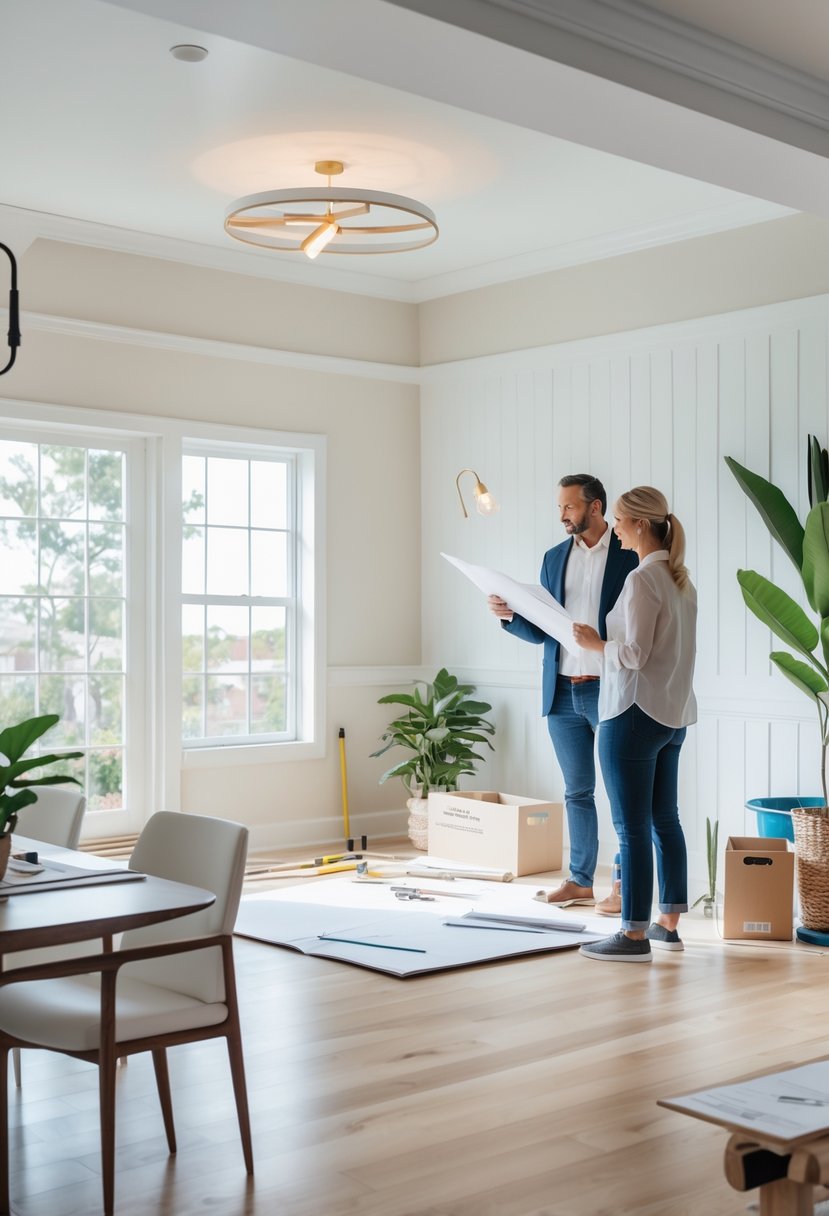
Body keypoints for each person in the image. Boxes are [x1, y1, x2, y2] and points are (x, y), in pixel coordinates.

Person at [488, 474, 637, 910]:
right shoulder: (554, 558)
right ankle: (580, 880)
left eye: (569, 507)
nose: (562, 515)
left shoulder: (629, 555)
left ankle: (627, 883)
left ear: (595, 508)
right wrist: (508, 615)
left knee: (623, 791)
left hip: (611, 690)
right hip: (561, 694)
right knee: (577, 792)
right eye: (559, 508)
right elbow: (544, 632)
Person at [572, 486, 697, 963]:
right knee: (665, 820)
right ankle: (668, 924)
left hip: (633, 716)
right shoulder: (681, 581)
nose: (617, 529)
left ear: (641, 525)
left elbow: (634, 655)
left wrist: (593, 643)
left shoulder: (644, 580)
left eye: (621, 521)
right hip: (673, 716)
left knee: (631, 829)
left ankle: (633, 935)